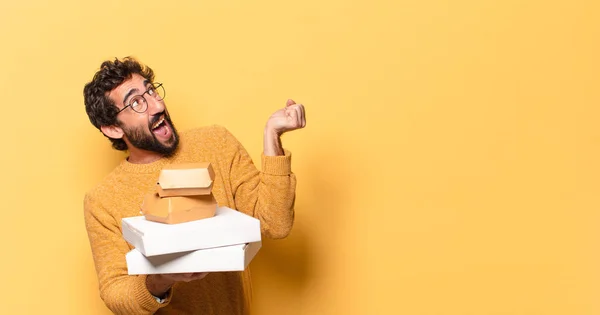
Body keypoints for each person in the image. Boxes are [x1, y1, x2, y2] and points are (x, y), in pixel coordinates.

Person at [82, 57, 306, 315]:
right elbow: (115, 293)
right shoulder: (102, 200)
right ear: (112, 129)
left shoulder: (215, 143)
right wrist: (161, 278)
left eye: (151, 90)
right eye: (137, 102)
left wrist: (272, 137)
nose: (157, 105)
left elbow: (275, 224)